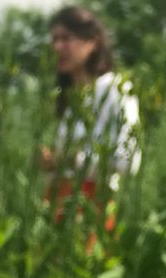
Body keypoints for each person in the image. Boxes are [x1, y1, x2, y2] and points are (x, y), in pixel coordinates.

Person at [43, 6, 140, 201]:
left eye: (66, 38)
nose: (57, 47)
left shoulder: (115, 89)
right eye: (54, 40)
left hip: (92, 204)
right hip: (57, 201)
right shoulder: (72, 97)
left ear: (93, 42)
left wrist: (71, 160)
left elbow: (128, 161)